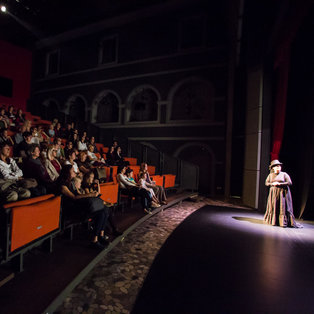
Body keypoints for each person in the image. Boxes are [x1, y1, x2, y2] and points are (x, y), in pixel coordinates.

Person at [57, 165, 110, 248]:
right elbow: (74, 197)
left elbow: (78, 194)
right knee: (101, 213)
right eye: (72, 171)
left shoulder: (71, 183)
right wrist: (89, 194)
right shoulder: (63, 185)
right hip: (72, 209)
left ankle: (100, 236)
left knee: (105, 210)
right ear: (67, 173)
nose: (74, 172)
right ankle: (94, 240)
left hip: (79, 206)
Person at [264, 160, 302, 228]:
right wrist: (272, 183)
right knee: (274, 205)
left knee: (282, 206)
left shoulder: (284, 174)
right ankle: (274, 221)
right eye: (277, 166)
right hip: (274, 193)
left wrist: (280, 184)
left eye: (279, 166)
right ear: (273, 168)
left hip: (282, 193)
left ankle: (283, 222)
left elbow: (290, 182)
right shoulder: (270, 175)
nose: (279, 167)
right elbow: (266, 183)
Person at [82, 171, 122, 236]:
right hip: (91, 206)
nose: (92, 179)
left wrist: (98, 185)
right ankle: (107, 231)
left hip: (95, 204)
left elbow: (98, 193)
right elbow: (90, 195)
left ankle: (111, 229)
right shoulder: (85, 186)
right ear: (87, 178)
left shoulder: (90, 186)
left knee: (108, 211)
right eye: (91, 177)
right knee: (105, 212)